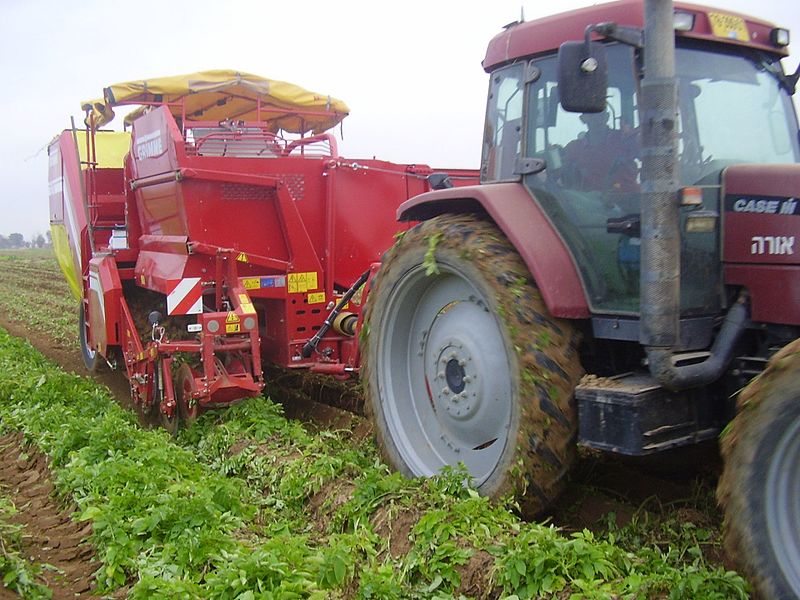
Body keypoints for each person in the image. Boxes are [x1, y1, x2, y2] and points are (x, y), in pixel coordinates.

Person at [561, 110, 639, 193]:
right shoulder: (573, 148)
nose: (596, 119)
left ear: (607, 116)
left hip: (628, 200)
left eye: (600, 115)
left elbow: (648, 153)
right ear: (583, 119)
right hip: (589, 203)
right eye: (591, 116)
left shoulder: (625, 139)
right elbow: (559, 175)